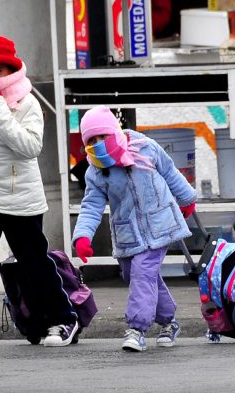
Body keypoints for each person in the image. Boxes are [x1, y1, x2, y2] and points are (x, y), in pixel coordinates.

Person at [0, 35, 79, 351]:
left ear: (11, 70)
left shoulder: (26, 102)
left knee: (34, 263)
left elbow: (30, 148)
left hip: (21, 197)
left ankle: (63, 318)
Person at [72, 106, 197, 352]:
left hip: (159, 224)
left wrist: (187, 199)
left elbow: (170, 172)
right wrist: (83, 235)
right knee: (138, 276)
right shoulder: (96, 170)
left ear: (114, 131)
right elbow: (91, 206)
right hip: (128, 233)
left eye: (102, 137)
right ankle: (169, 321)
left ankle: (137, 329)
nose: (97, 144)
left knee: (143, 273)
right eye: (91, 140)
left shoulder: (144, 147)